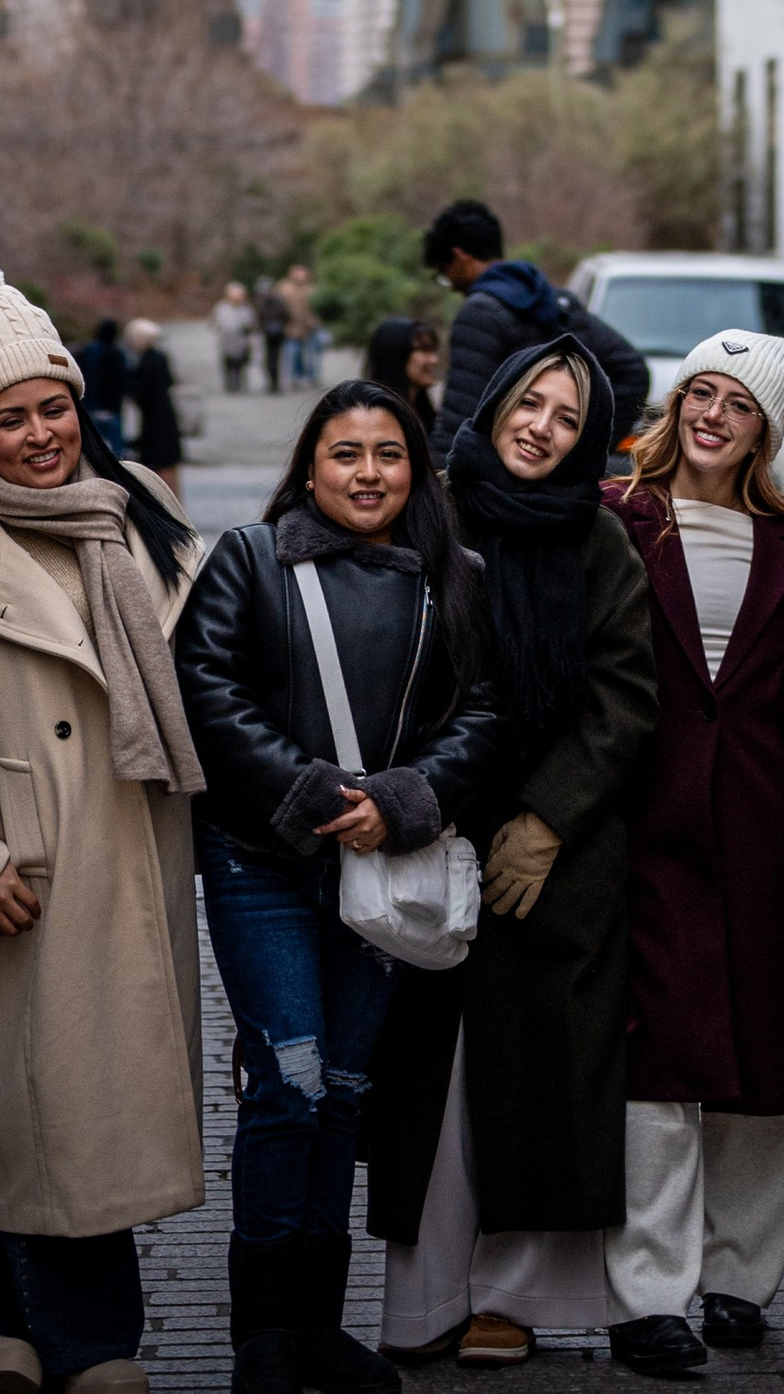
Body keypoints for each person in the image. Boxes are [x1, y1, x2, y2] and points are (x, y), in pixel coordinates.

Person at [176, 379, 510, 1394]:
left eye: (388, 455)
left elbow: (487, 714)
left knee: (345, 1097)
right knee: (290, 1086)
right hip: (261, 861)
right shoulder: (246, 558)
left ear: (415, 469)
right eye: (345, 454)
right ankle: (263, 1341)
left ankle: (317, 1327)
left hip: (383, 871)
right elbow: (207, 687)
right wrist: (321, 795)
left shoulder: (456, 576)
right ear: (309, 466)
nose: (368, 474)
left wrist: (401, 801)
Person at [0, 263, 207, 1394]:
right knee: (57, 1110)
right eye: (10, 418)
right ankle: (98, 1353)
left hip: (134, 845)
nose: (40, 435)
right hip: (26, 865)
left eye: (52, 406)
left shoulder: (140, 506)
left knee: (64, 1110)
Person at [367, 342, 658, 1364]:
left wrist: (546, 819)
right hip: (429, 833)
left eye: (567, 417)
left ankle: (512, 1299)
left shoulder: (599, 537)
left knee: (538, 1080)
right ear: (491, 405)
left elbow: (627, 693)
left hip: (554, 859)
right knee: (431, 1085)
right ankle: (424, 1301)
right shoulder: (427, 511)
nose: (540, 426)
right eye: (528, 402)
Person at [600, 333, 784, 1378]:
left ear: (765, 429)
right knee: (655, 1063)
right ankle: (648, 1294)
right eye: (698, 392)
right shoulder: (617, 518)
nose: (711, 415)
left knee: (764, 1065)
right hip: (646, 825)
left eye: (736, 404)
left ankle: (741, 1279)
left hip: (770, 834)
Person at [423, 202, 650, 445]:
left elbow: (460, 415)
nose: (452, 285)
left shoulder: (479, 313)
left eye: (443, 273)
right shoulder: (553, 301)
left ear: (459, 257)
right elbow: (633, 373)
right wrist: (583, 447)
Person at [362, 315, 444, 444]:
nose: (434, 360)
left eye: (433, 350)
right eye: (424, 350)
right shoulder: (373, 418)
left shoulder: (424, 414)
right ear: (396, 355)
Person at [125, 318, 185, 491]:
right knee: (168, 462)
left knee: (159, 462)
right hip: (164, 415)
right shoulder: (160, 357)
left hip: (155, 419)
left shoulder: (147, 360)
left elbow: (141, 390)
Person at [80, 316, 133, 453]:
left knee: (92, 448)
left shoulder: (85, 352)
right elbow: (123, 382)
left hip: (89, 406)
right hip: (112, 408)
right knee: (116, 449)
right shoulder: (118, 355)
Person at [278, 263, 325, 391]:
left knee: (312, 354)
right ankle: (296, 378)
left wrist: (315, 322)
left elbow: (318, 308)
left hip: (310, 327)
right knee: (294, 354)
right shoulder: (284, 288)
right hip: (291, 327)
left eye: (303, 274)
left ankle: (312, 377)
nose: (301, 276)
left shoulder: (312, 289)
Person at [218, 281, 263, 397]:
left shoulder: (246, 308)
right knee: (229, 363)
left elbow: (253, 324)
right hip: (227, 341)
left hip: (242, 341)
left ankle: (240, 383)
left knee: (241, 363)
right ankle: (230, 384)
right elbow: (215, 323)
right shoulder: (222, 308)